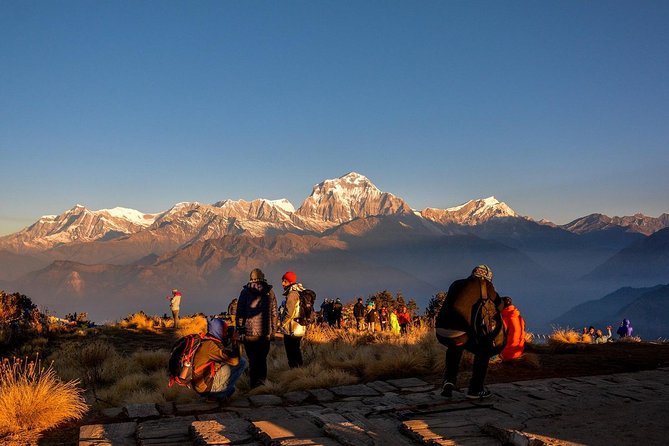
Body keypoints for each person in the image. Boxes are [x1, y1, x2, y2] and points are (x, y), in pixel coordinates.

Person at [435, 264, 504, 399]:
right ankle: (475, 389)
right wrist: (506, 302)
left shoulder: (456, 283)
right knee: (484, 350)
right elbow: (498, 305)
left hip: (441, 331)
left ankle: (449, 381)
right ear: (487, 277)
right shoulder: (485, 285)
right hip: (461, 333)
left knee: (454, 347)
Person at [236, 268, 278, 388]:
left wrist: (240, 330)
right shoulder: (270, 292)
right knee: (262, 360)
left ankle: (253, 386)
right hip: (265, 333)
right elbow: (274, 313)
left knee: (253, 360)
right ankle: (262, 384)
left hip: (250, 334)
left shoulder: (245, 292)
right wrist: (273, 331)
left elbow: (240, 313)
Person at [191, 318, 247, 402]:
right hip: (204, 386)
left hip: (201, 384)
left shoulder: (207, 340)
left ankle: (219, 392)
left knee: (229, 367)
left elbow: (223, 353)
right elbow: (235, 361)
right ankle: (218, 394)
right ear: (218, 330)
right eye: (224, 330)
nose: (226, 333)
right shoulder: (211, 345)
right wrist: (235, 342)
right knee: (242, 362)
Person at [281, 271, 305, 368]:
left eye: (285, 281)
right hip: (299, 327)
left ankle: (294, 371)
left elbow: (289, 312)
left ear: (290, 282)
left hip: (292, 328)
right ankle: (300, 370)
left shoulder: (292, 294)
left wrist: (282, 324)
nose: (282, 283)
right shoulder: (300, 292)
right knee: (296, 350)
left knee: (291, 352)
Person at [500, 297, 526, 361]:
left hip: (507, 354)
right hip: (519, 352)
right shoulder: (519, 317)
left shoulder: (505, 318)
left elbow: (498, 335)